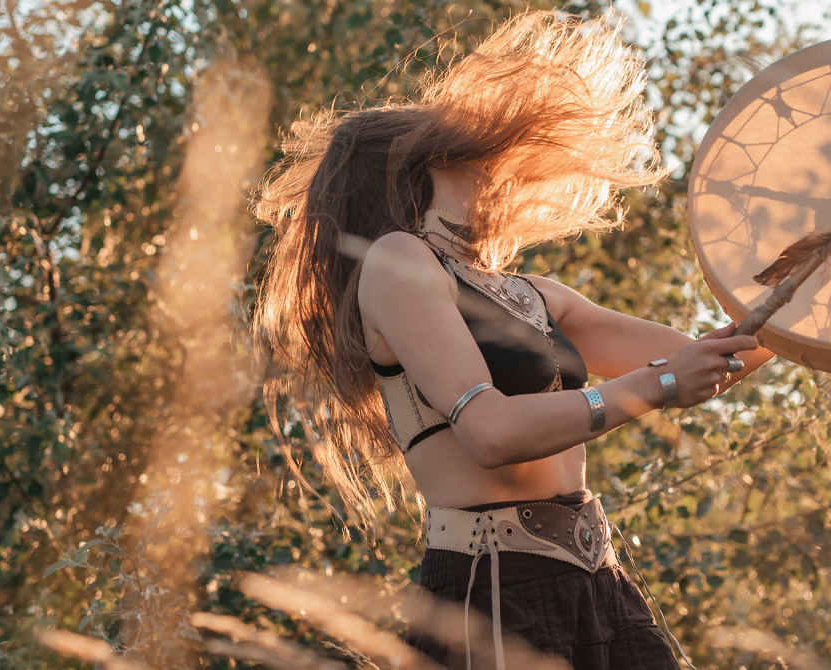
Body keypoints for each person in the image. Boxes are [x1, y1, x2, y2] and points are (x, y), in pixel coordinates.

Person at [253, 11, 773, 670]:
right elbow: (490, 432)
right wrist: (658, 385)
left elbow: (719, 357)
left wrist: (817, 269)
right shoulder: (398, 261)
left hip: (599, 581)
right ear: (434, 156)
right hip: (491, 591)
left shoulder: (531, 293)